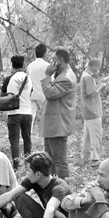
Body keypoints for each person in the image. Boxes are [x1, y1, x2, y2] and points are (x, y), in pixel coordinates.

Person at [41, 48, 78, 179]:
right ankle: (52, 186)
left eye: (53, 60)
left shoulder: (66, 78)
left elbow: (50, 94)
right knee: (49, 159)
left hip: (58, 125)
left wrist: (46, 76)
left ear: (60, 60)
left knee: (59, 161)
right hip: (53, 125)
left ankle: (63, 190)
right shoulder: (62, 74)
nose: (51, 63)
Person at [5, 55, 33, 170]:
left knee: (14, 140)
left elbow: (10, 96)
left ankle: (16, 165)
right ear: (23, 64)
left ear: (12, 65)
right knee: (27, 138)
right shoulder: (28, 78)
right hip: (27, 112)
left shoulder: (13, 78)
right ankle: (28, 163)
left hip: (15, 113)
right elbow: (30, 92)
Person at [80, 59, 105, 167]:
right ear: (93, 66)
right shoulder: (88, 77)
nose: (98, 69)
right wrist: (101, 87)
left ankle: (85, 157)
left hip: (87, 110)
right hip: (93, 110)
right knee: (96, 135)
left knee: (87, 136)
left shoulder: (84, 75)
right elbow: (92, 94)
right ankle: (95, 159)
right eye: (97, 67)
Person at [26, 44, 49, 133]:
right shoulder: (47, 66)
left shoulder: (30, 66)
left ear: (35, 54)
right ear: (44, 54)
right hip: (43, 95)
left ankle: (27, 137)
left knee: (30, 117)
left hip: (31, 94)